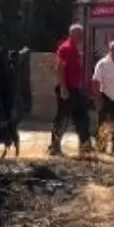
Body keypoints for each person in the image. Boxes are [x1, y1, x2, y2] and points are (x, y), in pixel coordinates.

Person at [49, 24, 90, 157]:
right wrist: (63, 88)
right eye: (80, 34)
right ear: (73, 34)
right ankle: (54, 147)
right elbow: (60, 69)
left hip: (76, 89)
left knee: (82, 117)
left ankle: (85, 147)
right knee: (62, 118)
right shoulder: (66, 48)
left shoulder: (75, 49)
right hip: (67, 89)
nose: (82, 37)